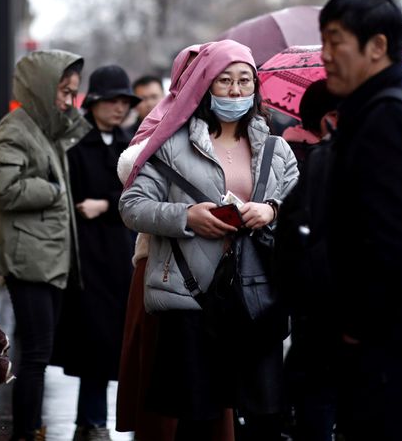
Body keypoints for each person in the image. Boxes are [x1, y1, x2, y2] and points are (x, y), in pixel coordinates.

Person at [119, 39, 299, 441]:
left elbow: (302, 209)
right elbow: (131, 206)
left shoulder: (277, 149)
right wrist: (187, 217)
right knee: (197, 419)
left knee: (263, 416)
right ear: (204, 86)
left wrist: (272, 211)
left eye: (245, 81)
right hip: (190, 299)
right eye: (225, 82)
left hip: (256, 300)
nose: (236, 92)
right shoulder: (168, 148)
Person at [319, 0, 402, 440]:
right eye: (323, 42)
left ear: (376, 46)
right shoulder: (381, 105)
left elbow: (388, 237)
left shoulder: (386, 113)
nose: (325, 55)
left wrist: (357, 327)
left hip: (384, 340)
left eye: (335, 42)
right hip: (389, 334)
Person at [0, 50, 91, 441]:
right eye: (63, 91)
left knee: (38, 352)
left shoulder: (44, 128)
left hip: (44, 256)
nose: (68, 101)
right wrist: (53, 189)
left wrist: (67, 115)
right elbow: (2, 186)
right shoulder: (17, 128)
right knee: (36, 355)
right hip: (29, 259)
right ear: (43, 87)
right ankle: (26, 431)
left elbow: (72, 127)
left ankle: (30, 427)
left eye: (73, 93)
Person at [53, 65, 139, 441]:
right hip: (85, 256)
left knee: (116, 342)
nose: (119, 109)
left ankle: (99, 421)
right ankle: (90, 421)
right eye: (112, 101)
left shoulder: (130, 143)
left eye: (125, 102)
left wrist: (106, 204)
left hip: (121, 255)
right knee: (92, 341)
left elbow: (141, 191)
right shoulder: (74, 142)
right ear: (95, 103)